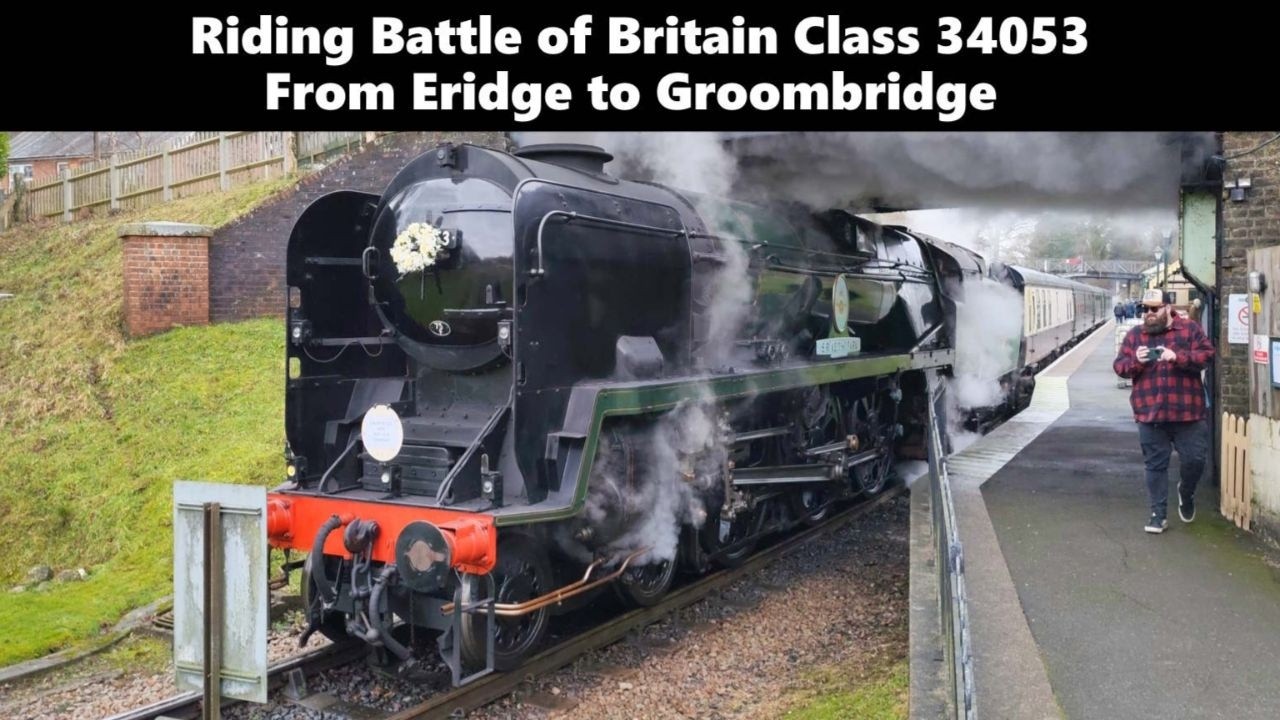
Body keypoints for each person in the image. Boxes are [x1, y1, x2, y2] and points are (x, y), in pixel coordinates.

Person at [1113, 289, 1215, 534]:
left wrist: (1176, 357)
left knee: (1195, 460)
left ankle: (1186, 492)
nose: (1148, 313)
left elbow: (1207, 356)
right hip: (1150, 413)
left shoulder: (1189, 329)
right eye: (1145, 309)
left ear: (1168, 308)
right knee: (1154, 466)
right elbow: (1120, 367)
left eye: (1154, 308)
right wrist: (1137, 361)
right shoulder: (1135, 336)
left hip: (1188, 413)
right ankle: (1158, 515)